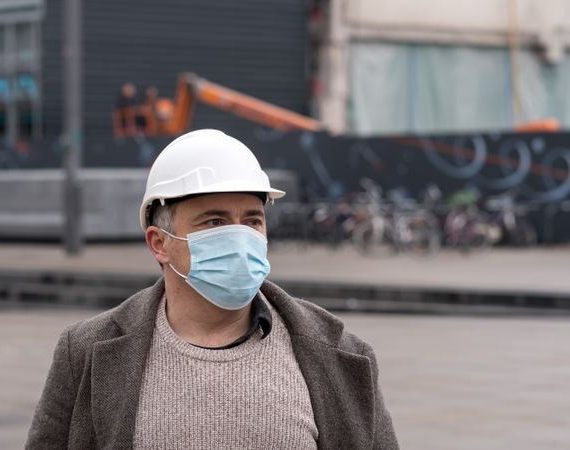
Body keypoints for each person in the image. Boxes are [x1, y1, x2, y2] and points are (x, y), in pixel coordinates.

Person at [26, 129, 398, 449]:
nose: (239, 237)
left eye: (252, 220)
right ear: (159, 242)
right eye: (215, 221)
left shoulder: (341, 355)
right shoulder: (86, 351)